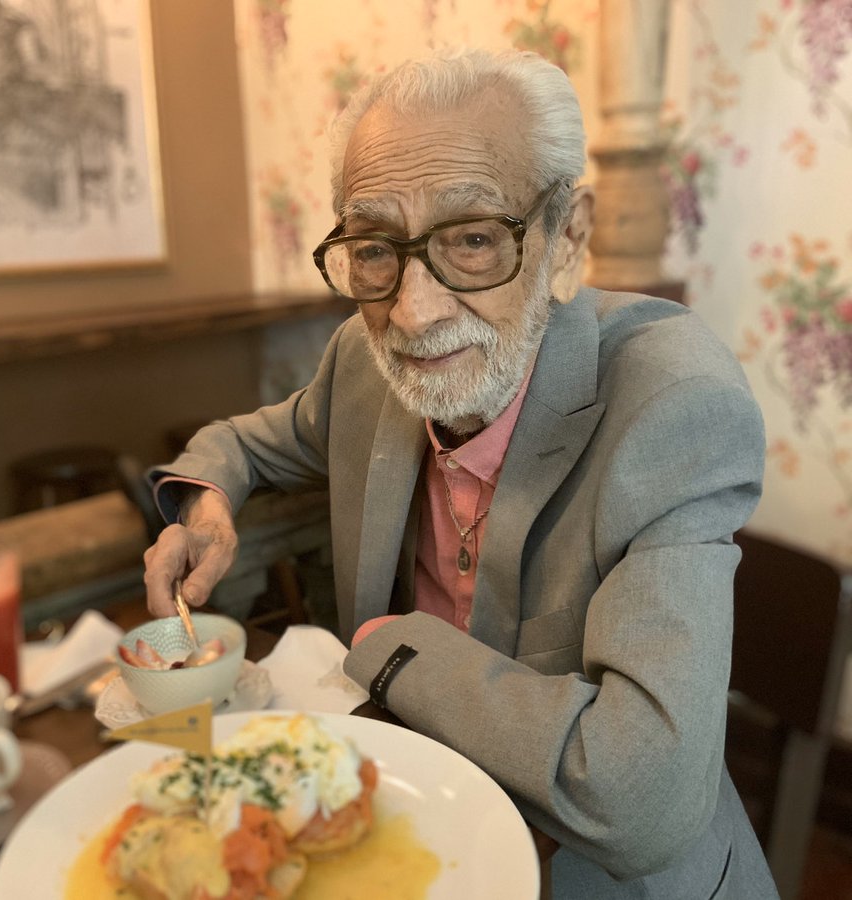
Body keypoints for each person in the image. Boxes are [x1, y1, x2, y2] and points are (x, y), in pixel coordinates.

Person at [141, 48, 775, 898]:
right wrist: (208, 503)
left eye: (474, 239)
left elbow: (641, 800)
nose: (413, 311)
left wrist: (393, 650)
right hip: (408, 831)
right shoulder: (362, 370)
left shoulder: (671, 403)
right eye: (374, 247)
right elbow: (245, 443)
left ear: (566, 239)